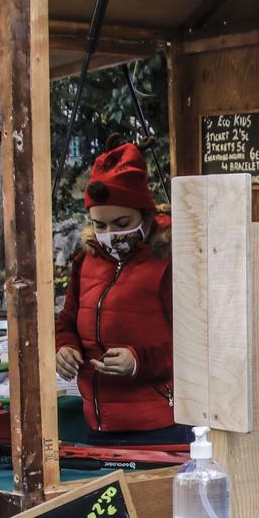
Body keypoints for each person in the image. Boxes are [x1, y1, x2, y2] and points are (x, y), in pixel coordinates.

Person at [54, 143, 182, 441]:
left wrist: (138, 360)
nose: (111, 233)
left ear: (145, 214)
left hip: (160, 425)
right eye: (100, 224)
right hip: (98, 423)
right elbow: (67, 320)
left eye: (122, 223)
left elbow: (194, 342)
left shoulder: (170, 261)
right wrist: (64, 347)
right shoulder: (85, 261)